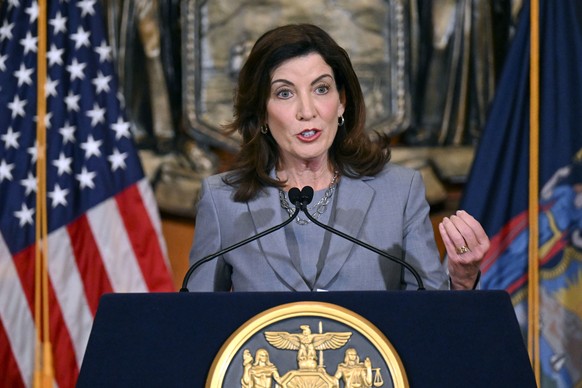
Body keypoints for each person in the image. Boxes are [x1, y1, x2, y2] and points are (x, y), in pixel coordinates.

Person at [186, 23, 489, 292]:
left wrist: (462, 281)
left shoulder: (399, 192)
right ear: (261, 113)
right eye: (284, 93)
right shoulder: (223, 200)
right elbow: (197, 322)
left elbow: (431, 319)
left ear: (341, 101)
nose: (307, 111)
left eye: (321, 89)